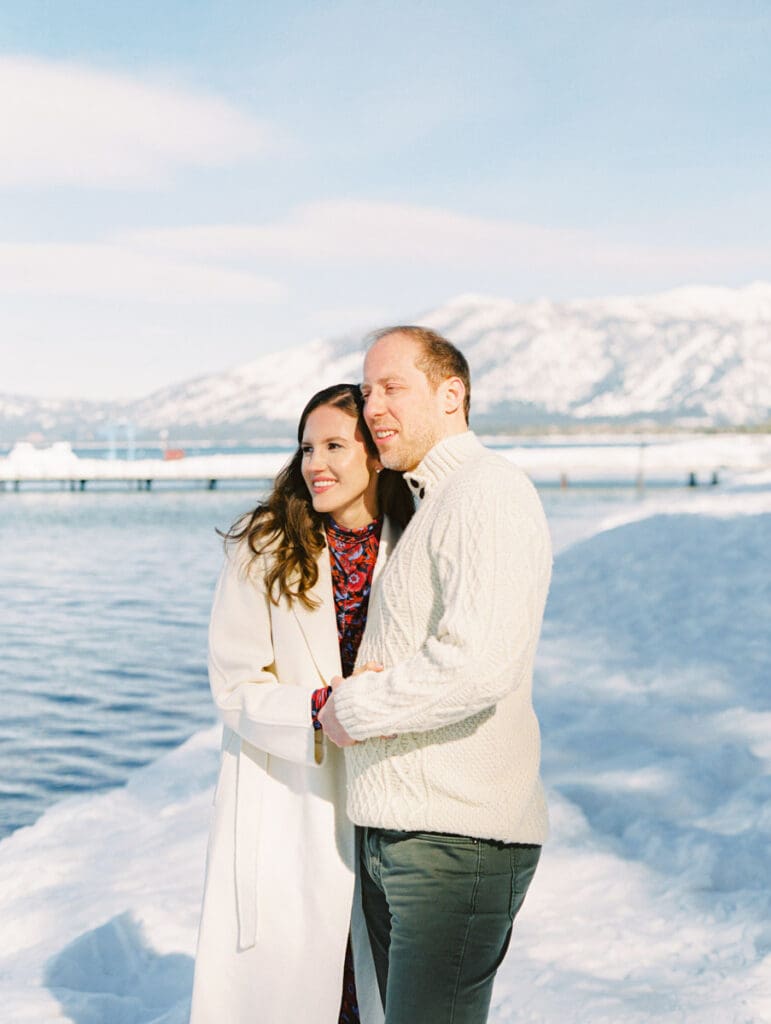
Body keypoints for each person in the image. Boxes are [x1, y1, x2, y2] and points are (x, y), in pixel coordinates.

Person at [318, 328, 553, 1023]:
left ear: (451, 395)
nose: (373, 408)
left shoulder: (488, 491)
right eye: (366, 392)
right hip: (401, 839)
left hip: (454, 845)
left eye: (392, 387)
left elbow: (477, 663)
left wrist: (351, 709)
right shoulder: (431, 505)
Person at [189, 383, 413, 1024]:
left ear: (375, 454)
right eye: (307, 446)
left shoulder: (417, 541)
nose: (315, 462)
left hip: (388, 796)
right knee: (293, 985)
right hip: (289, 790)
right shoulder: (264, 545)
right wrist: (318, 709)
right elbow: (233, 683)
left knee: (380, 981)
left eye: (336, 445)